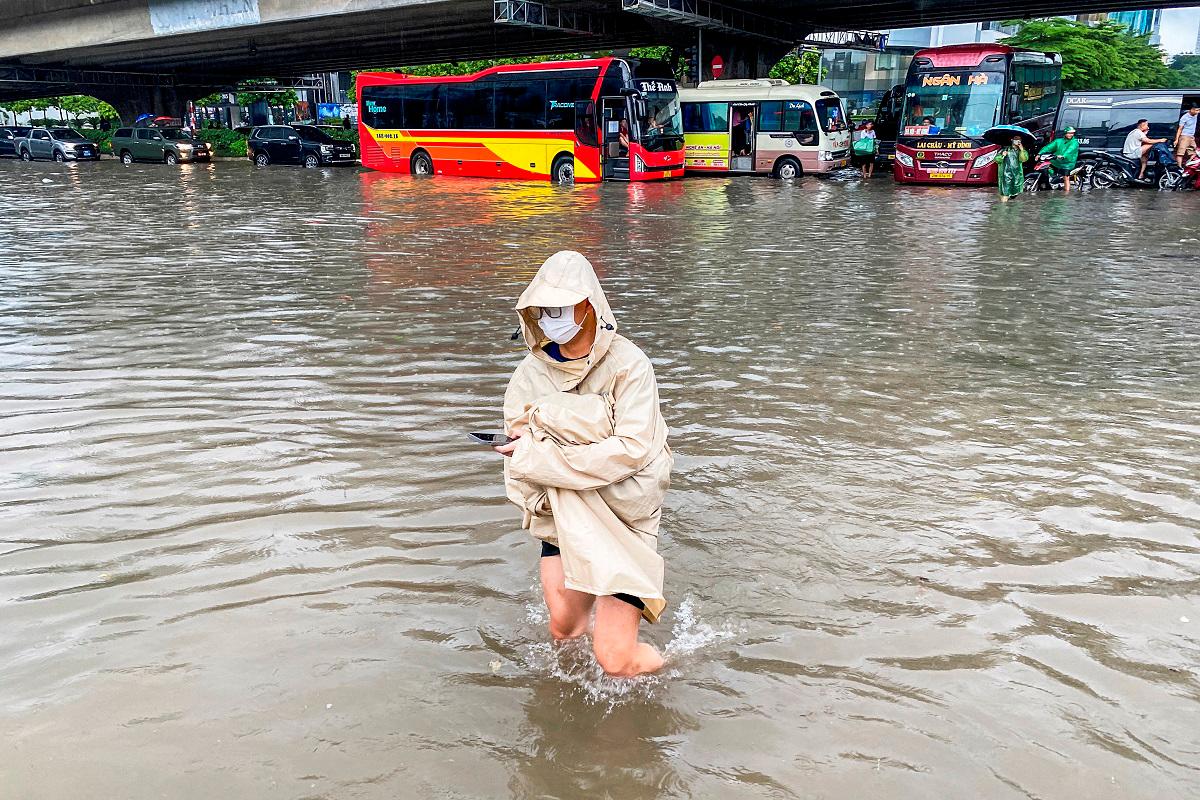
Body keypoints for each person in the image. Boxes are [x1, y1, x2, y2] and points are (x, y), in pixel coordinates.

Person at [497, 251, 672, 678]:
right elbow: (520, 452)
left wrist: (544, 455)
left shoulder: (630, 366)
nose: (553, 318)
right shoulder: (528, 374)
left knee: (614, 661)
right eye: (545, 309)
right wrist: (531, 470)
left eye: (563, 307)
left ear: (590, 304)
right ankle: (571, 690)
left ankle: (670, 669)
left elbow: (631, 449)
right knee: (565, 626)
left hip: (620, 515)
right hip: (562, 509)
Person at [1038, 126, 1079, 191]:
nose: (1071, 134)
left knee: (1066, 177)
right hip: (1056, 161)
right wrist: (1039, 153)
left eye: (1072, 133)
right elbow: (1049, 147)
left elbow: (1070, 150)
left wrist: (1063, 156)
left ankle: (1066, 193)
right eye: (1069, 133)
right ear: (1065, 133)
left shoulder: (1074, 142)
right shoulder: (1058, 141)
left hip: (1067, 163)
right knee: (1046, 169)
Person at [997, 134, 1028, 201]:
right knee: (1006, 192)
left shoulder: (1022, 151)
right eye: (1016, 140)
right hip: (1006, 174)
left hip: (1017, 174)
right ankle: (1003, 207)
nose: (1017, 142)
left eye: (1019, 140)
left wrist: (1022, 150)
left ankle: (1009, 206)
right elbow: (997, 160)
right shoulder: (1005, 149)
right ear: (1012, 140)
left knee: (1014, 193)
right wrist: (1002, 155)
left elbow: (1023, 159)